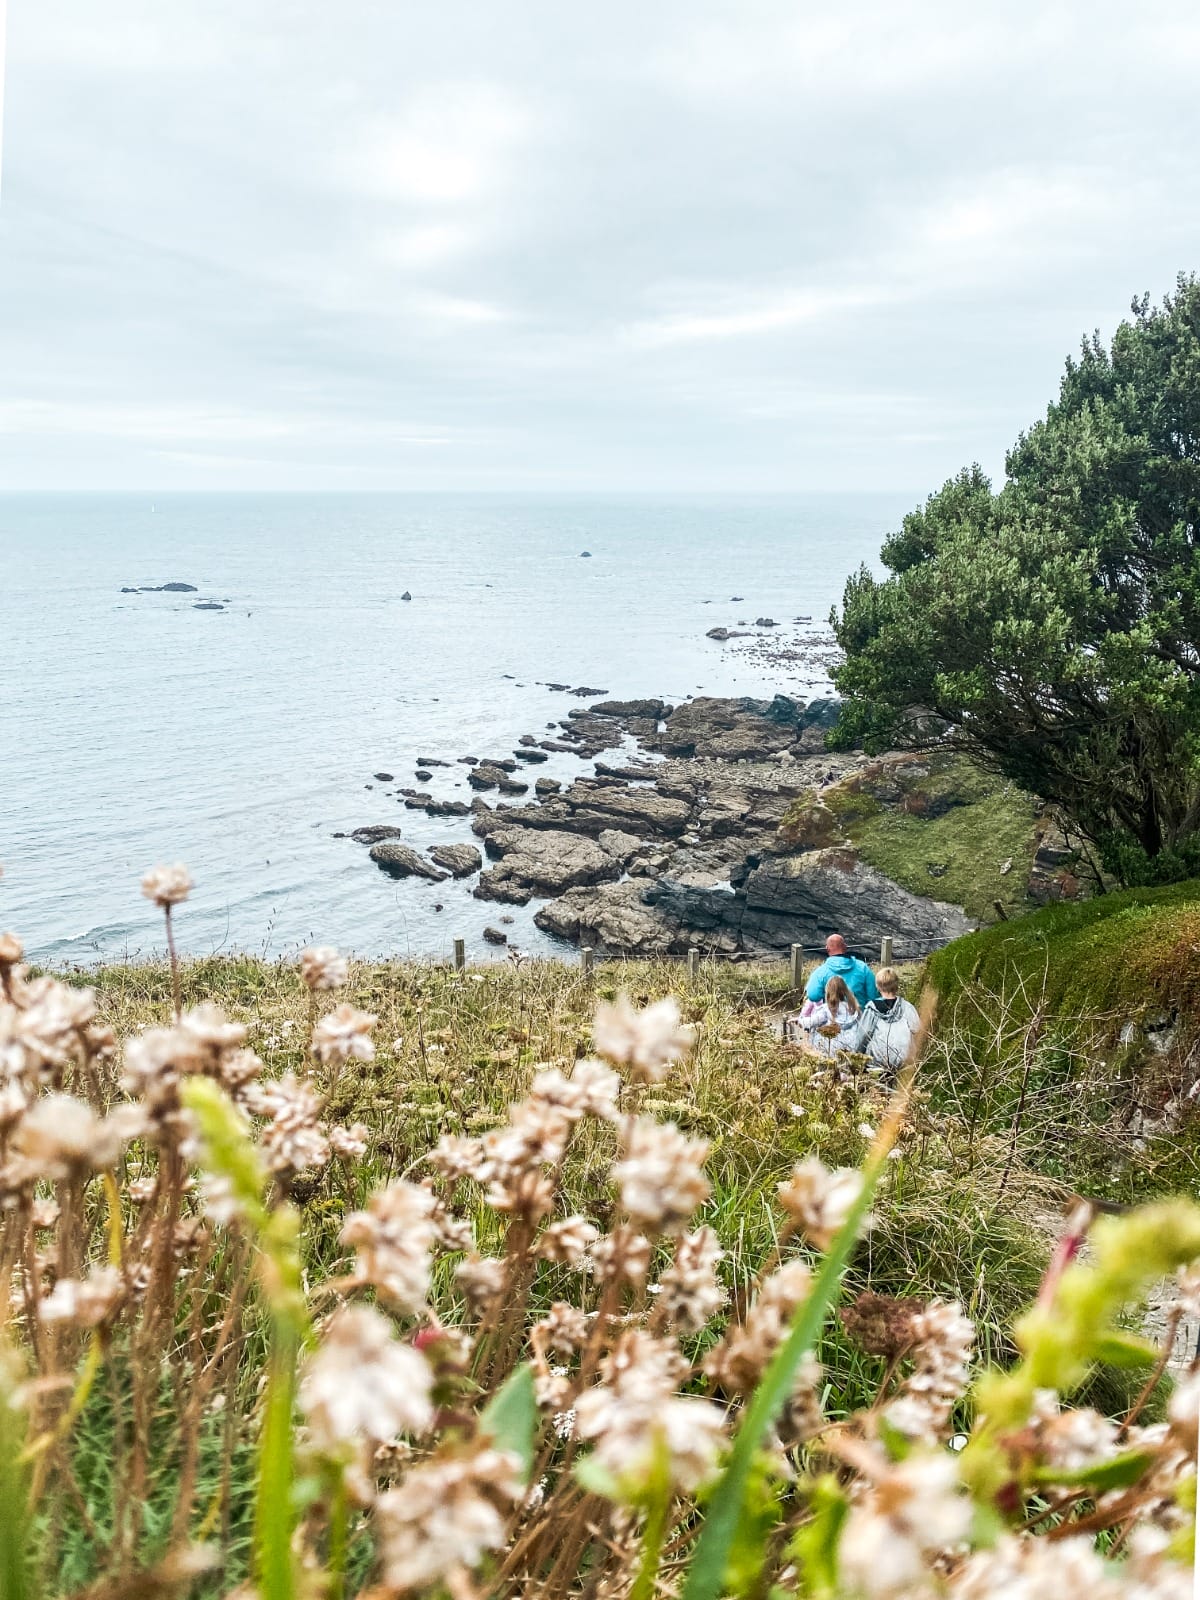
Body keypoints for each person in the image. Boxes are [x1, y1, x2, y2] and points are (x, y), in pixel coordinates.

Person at [855, 967, 921, 1073]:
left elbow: (863, 1034)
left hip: (876, 1062)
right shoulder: (907, 1007)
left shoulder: (872, 1009)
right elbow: (917, 1030)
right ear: (896, 985)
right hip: (903, 1063)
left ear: (877, 986)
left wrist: (857, 1056)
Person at [804, 934, 880, 1009]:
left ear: (827, 949)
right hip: (860, 1017)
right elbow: (873, 995)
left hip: (832, 1017)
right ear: (845, 947)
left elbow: (813, 996)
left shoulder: (820, 972)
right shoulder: (863, 968)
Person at [800, 976, 861, 1056]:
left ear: (828, 991)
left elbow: (811, 1021)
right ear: (845, 990)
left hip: (828, 1049)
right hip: (850, 1049)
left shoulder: (826, 1009)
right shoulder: (853, 1009)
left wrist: (799, 1020)